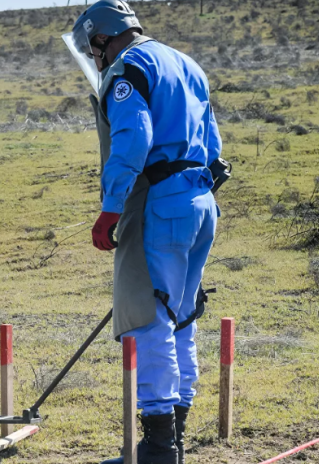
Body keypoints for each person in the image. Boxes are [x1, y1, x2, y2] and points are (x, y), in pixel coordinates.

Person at [67, 1, 224, 463]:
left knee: (148, 320)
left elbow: (133, 138)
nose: (95, 58)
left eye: (93, 49)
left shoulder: (127, 68)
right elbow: (213, 146)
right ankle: (172, 438)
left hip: (162, 204)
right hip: (201, 202)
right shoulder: (186, 63)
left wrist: (110, 208)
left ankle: (158, 450)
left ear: (100, 39)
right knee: (181, 318)